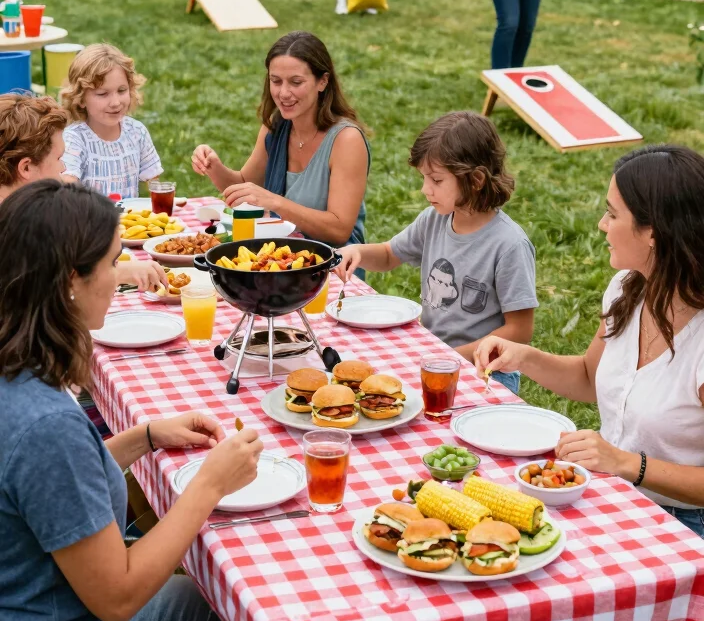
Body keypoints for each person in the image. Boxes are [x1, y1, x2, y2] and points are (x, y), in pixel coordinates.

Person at [0, 179, 262, 621]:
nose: (120, 276)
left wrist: (143, 436)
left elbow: (47, 489)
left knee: (237, 603)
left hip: (48, 613)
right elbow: (117, 595)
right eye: (114, 262)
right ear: (70, 281)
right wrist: (209, 485)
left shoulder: (19, 371)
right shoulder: (45, 424)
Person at [476, 145, 704, 538]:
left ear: (653, 232)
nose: (601, 224)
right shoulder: (627, 288)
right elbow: (587, 377)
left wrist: (629, 463)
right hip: (613, 494)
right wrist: (525, 357)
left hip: (682, 525)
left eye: (613, 214)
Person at [336, 111, 537, 394]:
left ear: (476, 180)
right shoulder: (434, 219)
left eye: (436, 180)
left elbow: (520, 330)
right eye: (423, 178)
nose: (424, 189)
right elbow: (389, 254)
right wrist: (356, 250)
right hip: (434, 358)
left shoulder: (509, 245)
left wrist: (452, 357)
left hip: (486, 372)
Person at [192, 31, 370, 248]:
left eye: (296, 82)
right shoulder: (275, 128)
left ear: (322, 82)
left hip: (334, 267)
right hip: (279, 257)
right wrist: (214, 167)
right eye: (276, 81)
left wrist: (275, 202)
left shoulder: (346, 140)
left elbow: (339, 230)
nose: (283, 93)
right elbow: (245, 188)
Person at [0, 92, 165, 292]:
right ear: (26, 168)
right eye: (59, 158)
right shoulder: (11, 229)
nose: (63, 168)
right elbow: (43, 283)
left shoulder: (24, 213)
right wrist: (118, 273)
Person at [61, 43, 163, 201]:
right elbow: (67, 190)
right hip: (89, 222)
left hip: (130, 223)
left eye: (122, 90)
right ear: (80, 98)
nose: (115, 102)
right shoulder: (73, 139)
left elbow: (155, 185)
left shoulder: (137, 132)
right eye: (103, 94)